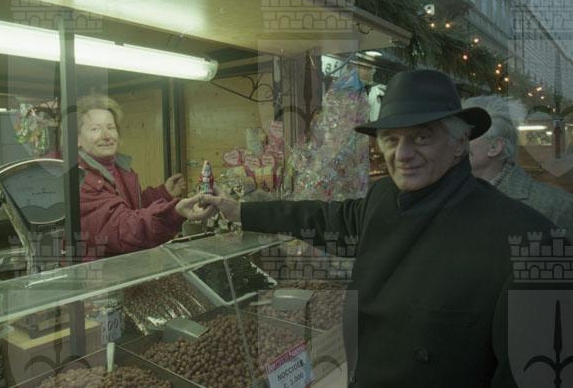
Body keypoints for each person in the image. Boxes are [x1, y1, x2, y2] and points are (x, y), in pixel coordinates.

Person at [189, 70, 564, 388]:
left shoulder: (533, 242)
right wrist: (240, 211)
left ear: (459, 143)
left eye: (421, 137)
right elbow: (321, 218)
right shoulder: (384, 197)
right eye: (391, 139)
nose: (402, 154)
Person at [76, 94, 213, 261]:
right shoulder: (79, 180)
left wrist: (163, 193)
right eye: (95, 129)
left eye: (111, 127)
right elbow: (122, 228)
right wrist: (173, 213)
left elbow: (129, 209)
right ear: (77, 139)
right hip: (98, 273)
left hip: (122, 267)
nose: (106, 135)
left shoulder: (119, 169)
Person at [463, 95, 573, 238]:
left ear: (494, 147)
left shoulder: (556, 207)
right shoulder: (445, 188)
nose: (453, 143)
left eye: (466, 136)